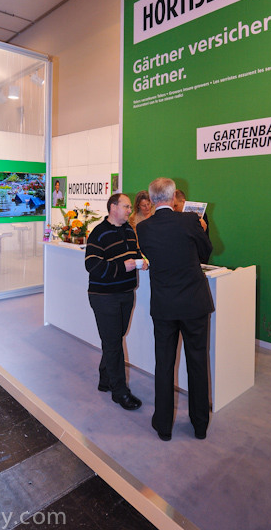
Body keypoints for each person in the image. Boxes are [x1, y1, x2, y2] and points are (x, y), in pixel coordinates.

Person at [136, 178, 214, 441]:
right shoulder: (190, 221)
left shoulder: (143, 228)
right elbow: (205, 254)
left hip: (164, 305)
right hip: (194, 303)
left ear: (151, 199)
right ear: (173, 198)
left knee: (164, 364)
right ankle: (200, 425)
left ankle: (164, 426)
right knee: (198, 362)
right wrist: (204, 230)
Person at [85, 193, 147, 410]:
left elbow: (136, 253)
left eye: (130, 207)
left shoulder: (129, 230)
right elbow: (91, 265)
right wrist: (122, 267)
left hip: (126, 293)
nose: (130, 210)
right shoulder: (98, 233)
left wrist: (141, 260)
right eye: (126, 206)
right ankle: (120, 392)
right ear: (113, 207)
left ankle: (105, 379)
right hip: (104, 297)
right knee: (113, 343)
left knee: (114, 339)